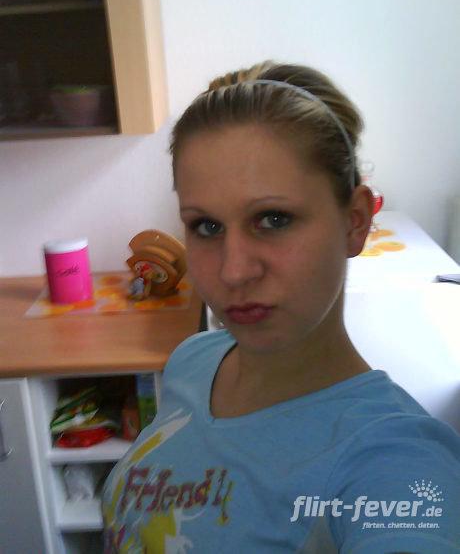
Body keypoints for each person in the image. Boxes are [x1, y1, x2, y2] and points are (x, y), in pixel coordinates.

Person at [102, 61, 460, 553]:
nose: (233, 271)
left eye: (273, 219)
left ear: (355, 221)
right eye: (207, 226)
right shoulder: (195, 360)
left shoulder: (391, 460)